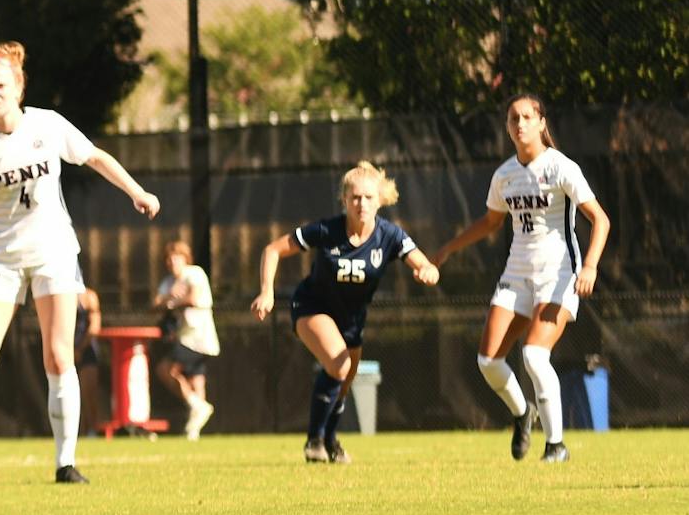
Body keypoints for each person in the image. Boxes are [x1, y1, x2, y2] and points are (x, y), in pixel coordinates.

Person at [0, 42, 161, 486]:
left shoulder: (46, 124)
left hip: (53, 252)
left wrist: (137, 191)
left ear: (19, 86)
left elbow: (94, 156)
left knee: (59, 357)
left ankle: (65, 462)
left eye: (0, 85)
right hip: (0, 257)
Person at [432, 95, 611, 464]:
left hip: (558, 273)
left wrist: (590, 266)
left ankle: (556, 445)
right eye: (514, 118)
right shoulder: (505, 175)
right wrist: (449, 248)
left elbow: (601, 220)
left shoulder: (561, 167)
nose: (520, 124)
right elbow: (490, 223)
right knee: (487, 361)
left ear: (542, 123)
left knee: (533, 355)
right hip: (517, 273)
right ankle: (521, 412)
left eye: (528, 117)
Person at [250, 161, 441, 463]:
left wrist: (428, 271)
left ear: (379, 200)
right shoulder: (328, 230)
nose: (361, 204)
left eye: (368, 197)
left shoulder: (390, 236)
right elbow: (273, 249)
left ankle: (330, 439)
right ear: (344, 200)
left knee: (343, 383)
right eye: (354, 198)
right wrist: (266, 290)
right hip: (312, 307)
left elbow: (424, 263)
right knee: (338, 365)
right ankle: (314, 442)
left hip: (352, 320)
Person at [153, 241, 220, 440]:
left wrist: (172, 302)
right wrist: (167, 298)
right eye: (169, 258)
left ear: (185, 258)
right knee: (195, 381)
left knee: (165, 370)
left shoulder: (195, 273)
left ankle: (197, 406)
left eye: (177, 257)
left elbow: (192, 298)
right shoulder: (168, 283)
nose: (172, 261)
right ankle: (194, 430)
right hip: (183, 337)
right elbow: (155, 303)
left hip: (199, 339)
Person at [75, 286, 103, 439]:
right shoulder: (59, 294)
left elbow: (94, 327)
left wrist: (80, 349)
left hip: (86, 350)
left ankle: (92, 430)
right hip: (66, 351)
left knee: (88, 392)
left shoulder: (89, 296)